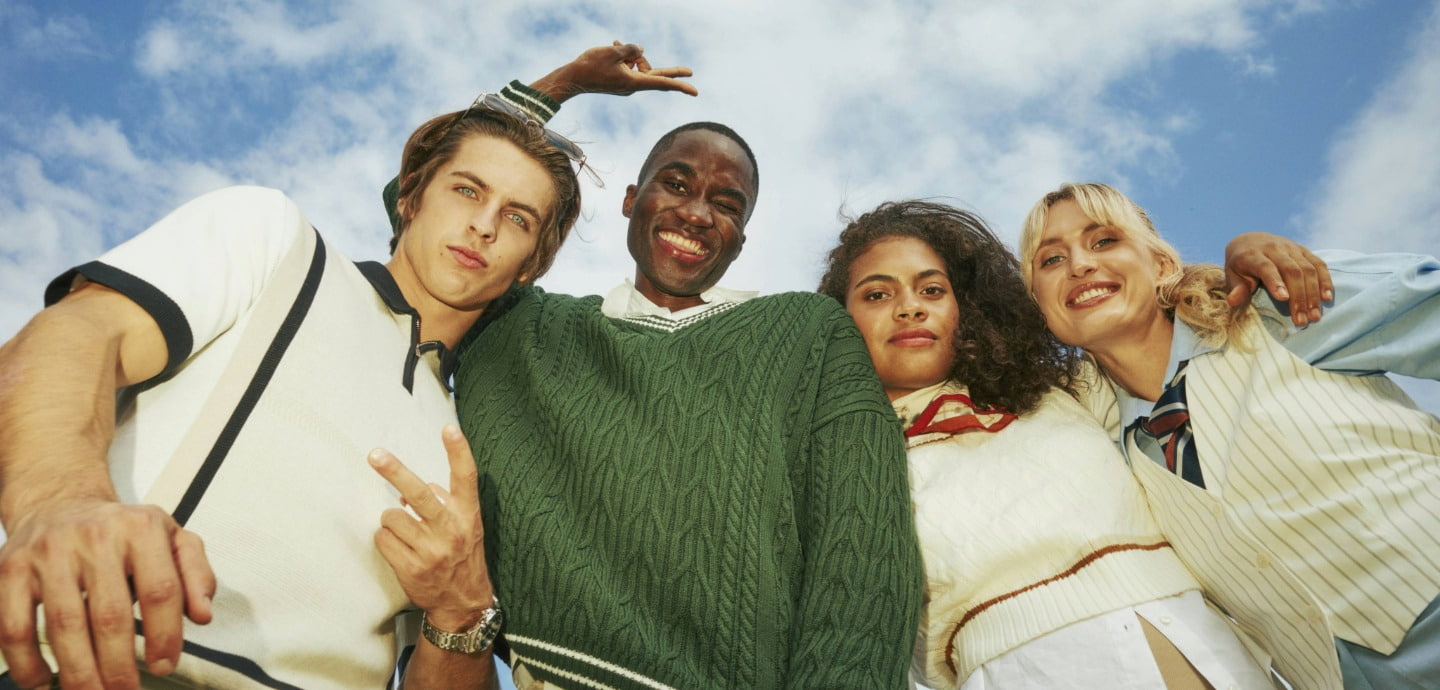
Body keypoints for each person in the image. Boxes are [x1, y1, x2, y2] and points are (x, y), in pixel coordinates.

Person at [0, 43, 690, 690]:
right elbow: (78, 333)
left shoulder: (466, 448)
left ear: (530, 266)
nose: (484, 225)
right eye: (467, 191)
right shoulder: (279, 246)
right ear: (410, 197)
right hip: (116, 664)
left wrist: (462, 615)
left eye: (517, 219)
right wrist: (61, 502)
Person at [386, 122, 925, 688]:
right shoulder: (517, 326)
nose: (696, 214)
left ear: (740, 237)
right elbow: (424, 219)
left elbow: (863, 559)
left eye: (725, 204)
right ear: (629, 199)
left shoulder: (806, 334)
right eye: (675, 184)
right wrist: (558, 88)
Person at [818, 200, 1277, 689]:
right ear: (840, 322)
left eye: (932, 289)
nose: (910, 307)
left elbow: (1154, 330)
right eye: (876, 295)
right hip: (1011, 669)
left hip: (1195, 646)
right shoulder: (838, 458)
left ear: (967, 307)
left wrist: (1236, 260)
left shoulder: (1063, 391)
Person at [1019, 181, 1440, 690]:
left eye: (1104, 240)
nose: (1080, 265)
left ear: (1161, 265)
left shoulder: (1276, 310)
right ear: (1038, 305)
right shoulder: (1099, 447)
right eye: (1050, 260)